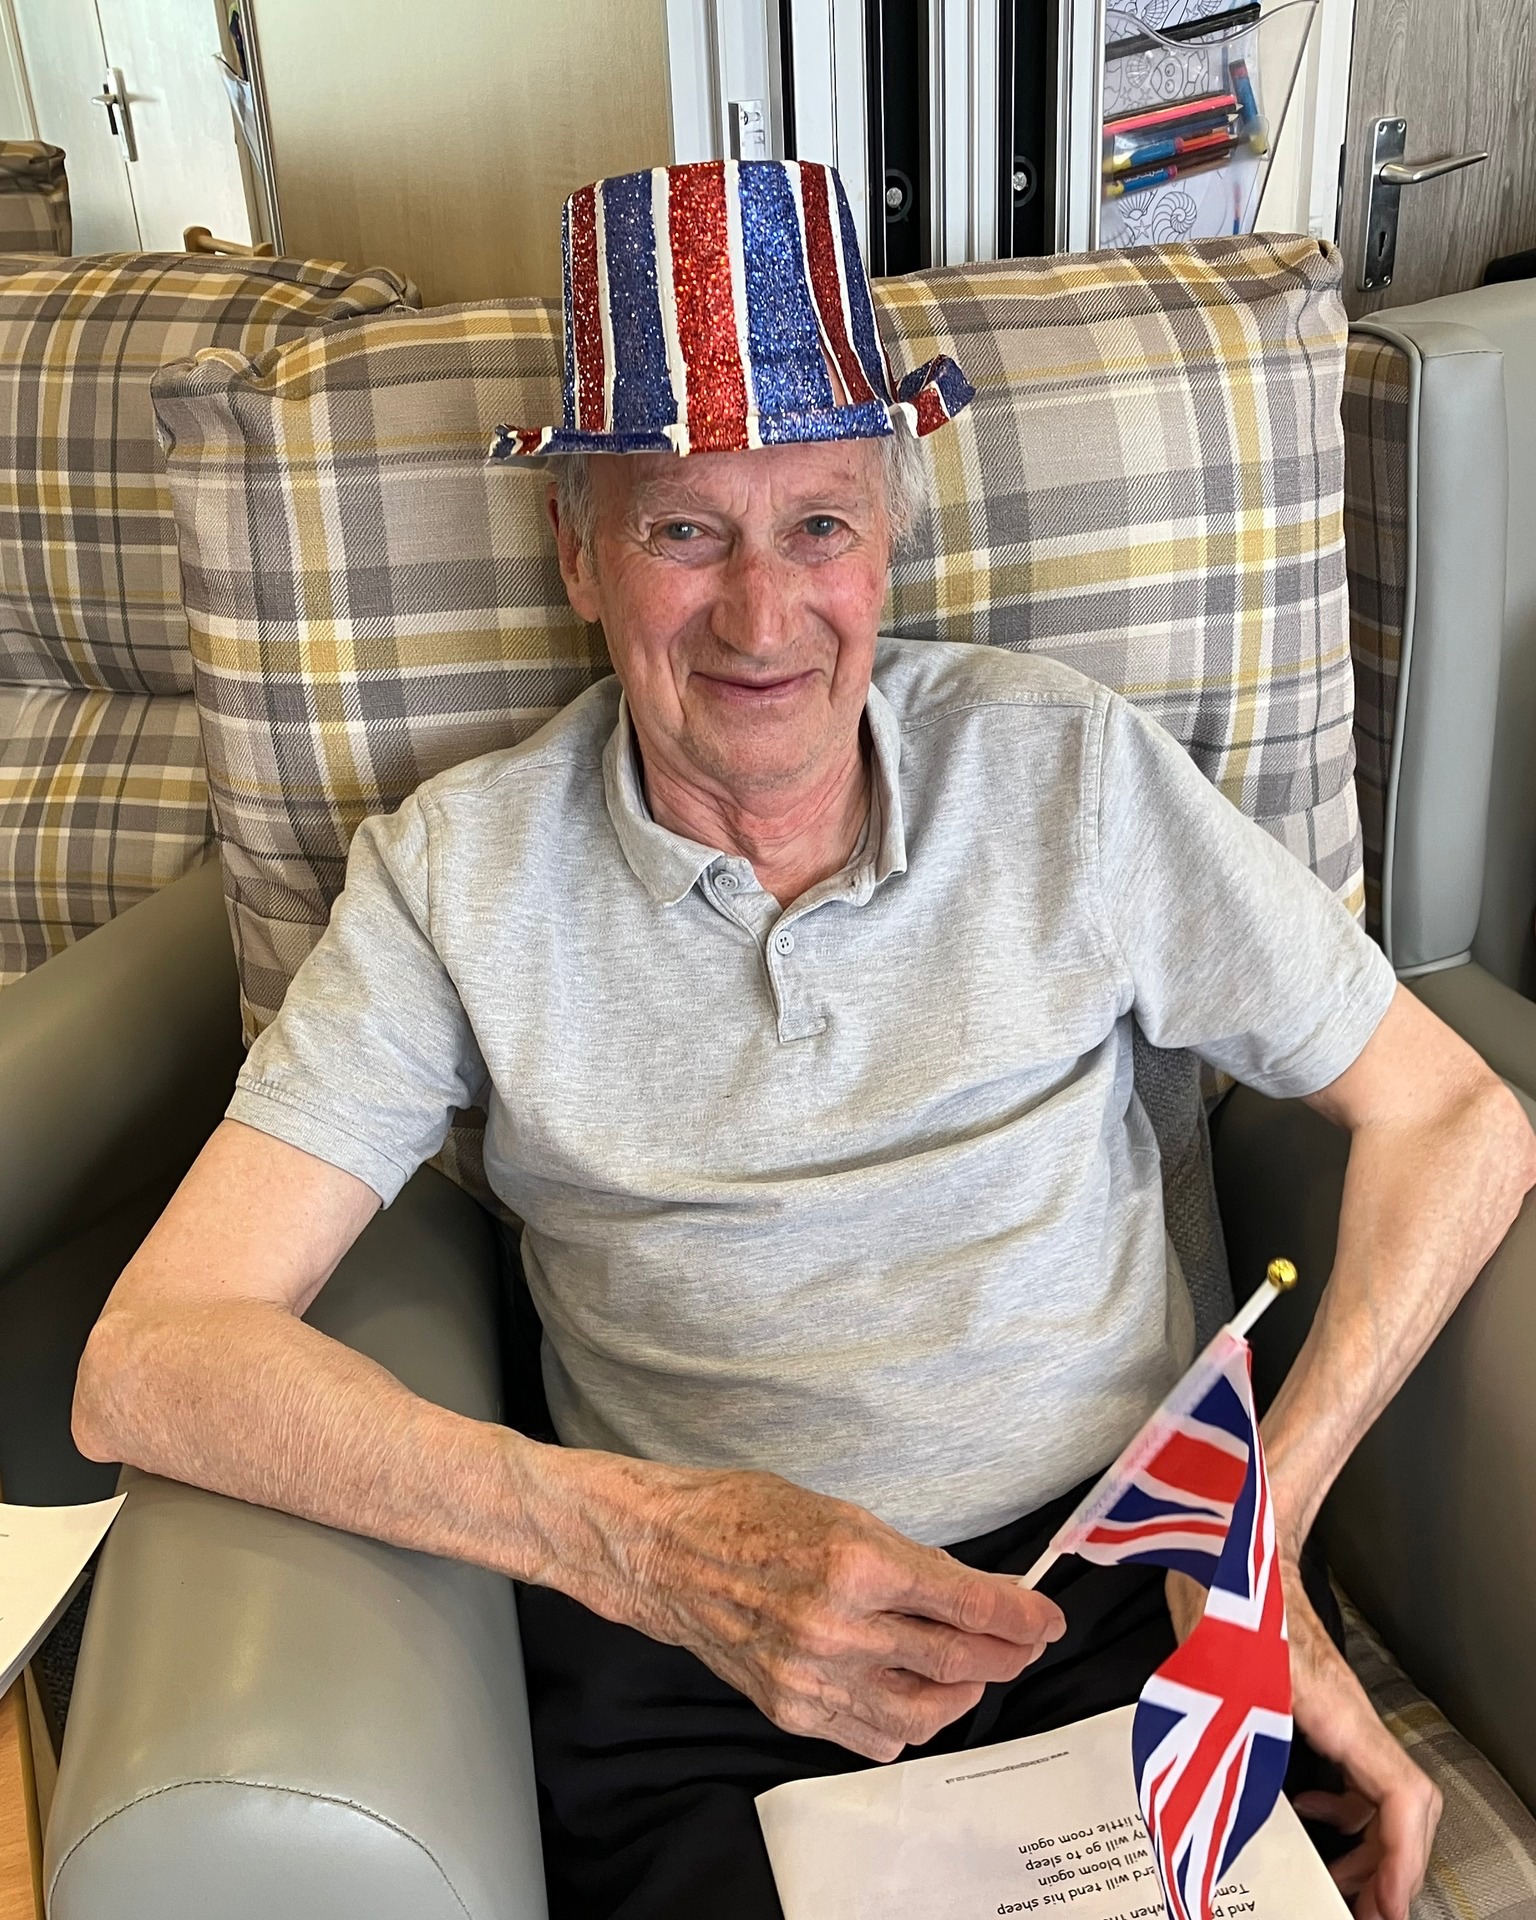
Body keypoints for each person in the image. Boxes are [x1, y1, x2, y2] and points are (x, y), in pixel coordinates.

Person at [73, 159, 1534, 1920]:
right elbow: (152, 1356)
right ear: (578, 553)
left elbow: (1459, 1118)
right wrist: (631, 1540)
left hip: (1119, 1590)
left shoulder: (1066, 767)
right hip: (692, 1657)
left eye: (819, 526)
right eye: (685, 531)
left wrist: (1261, 1530)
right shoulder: (455, 875)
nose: (762, 619)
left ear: (888, 537)